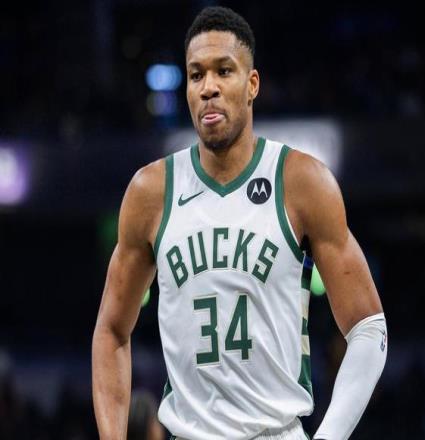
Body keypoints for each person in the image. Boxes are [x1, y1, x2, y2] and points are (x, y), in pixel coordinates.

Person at [92, 6, 387, 440]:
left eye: (223, 71)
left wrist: (329, 436)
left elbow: (369, 327)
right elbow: (111, 331)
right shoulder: (150, 192)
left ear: (252, 85)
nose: (208, 87)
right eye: (196, 75)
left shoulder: (301, 181)